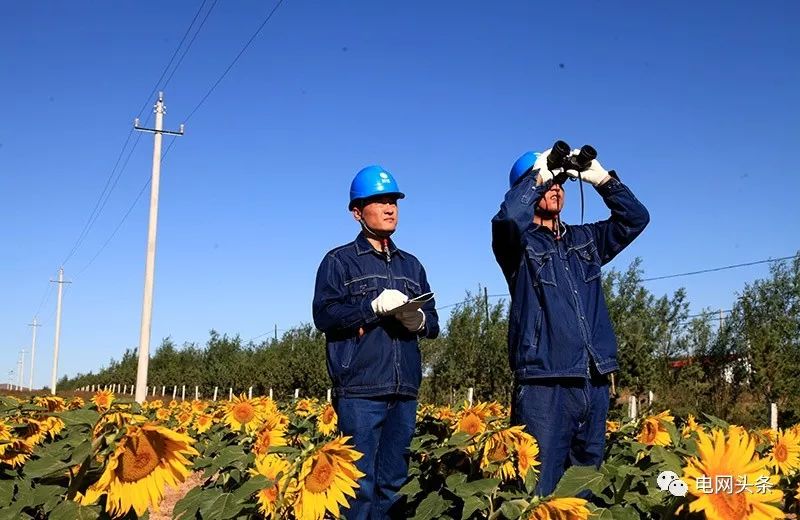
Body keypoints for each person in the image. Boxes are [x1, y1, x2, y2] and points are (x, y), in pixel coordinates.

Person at [491, 146, 650, 496]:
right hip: (545, 383)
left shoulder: (585, 240)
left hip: (592, 379)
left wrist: (602, 179)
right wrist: (540, 173)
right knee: (538, 488)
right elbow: (506, 218)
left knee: (583, 487)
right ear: (527, 188)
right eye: (548, 182)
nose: (556, 187)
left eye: (561, 181)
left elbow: (635, 219)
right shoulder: (517, 245)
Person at [313, 165, 439, 519]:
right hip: (360, 390)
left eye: (393, 201)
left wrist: (420, 320)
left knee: (394, 483)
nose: (389, 208)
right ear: (357, 212)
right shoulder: (339, 262)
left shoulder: (412, 265)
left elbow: (433, 323)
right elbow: (325, 315)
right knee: (357, 484)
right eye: (379, 201)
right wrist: (371, 307)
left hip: (404, 389)